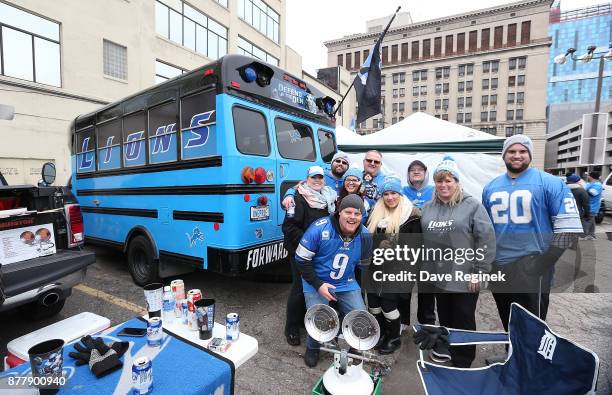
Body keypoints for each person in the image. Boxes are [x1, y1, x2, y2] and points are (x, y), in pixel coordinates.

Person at [482, 135, 583, 329]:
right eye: (512, 151)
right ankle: (513, 356)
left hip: (531, 262)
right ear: (504, 155)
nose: (517, 155)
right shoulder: (490, 187)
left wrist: (544, 262)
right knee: (507, 317)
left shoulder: (550, 183)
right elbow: (485, 229)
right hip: (499, 264)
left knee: (532, 324)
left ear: (530, 154)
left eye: (522, 151)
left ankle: (533, 360)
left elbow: (568, 228)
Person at [420, 156, 496, 367]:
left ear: (456, 182)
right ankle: (448, 349)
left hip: (465, 276)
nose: (443, 185)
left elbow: (486, 240)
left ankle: (463, 360)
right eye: (439, 180)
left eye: (448, 180)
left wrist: (479, 271)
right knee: (445, 317)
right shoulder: (428, 208)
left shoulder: (472, 206)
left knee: (463, 319)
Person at [295, 194, 372, 367]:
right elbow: (301, 259)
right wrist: (318, 284)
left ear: (362, 216)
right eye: (348, 212)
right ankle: (313, 347)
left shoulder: (365, 236)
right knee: (318, 317)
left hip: (346, 281)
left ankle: (353, 347)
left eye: (357, 214)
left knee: (360, 315)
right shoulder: (319, 228)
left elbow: (363, 267)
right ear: (339, 212)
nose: (352, 217)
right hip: (316, 280)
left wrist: (357, 291)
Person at [365, 177, 422, 354]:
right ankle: (380, 333)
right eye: (386, 194)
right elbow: (367, 242)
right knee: (373, 304)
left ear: (400, 193)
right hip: (376, 268)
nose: (390, 197)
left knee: (389, 306)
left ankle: (393, 337)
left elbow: (416, 251)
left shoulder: (411, 216)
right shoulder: (376, 213)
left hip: (397, 271)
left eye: (394, 193)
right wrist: (378, 245)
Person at [282, 166, 337, 346]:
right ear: (306, 179)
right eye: (313, 177)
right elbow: (289, 228)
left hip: (320, 253)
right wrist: (309, 243)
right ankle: (291, 328)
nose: (317, 180)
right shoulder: (298, 198)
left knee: (313, 289)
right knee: (299, 288)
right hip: (300, 251)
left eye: (320, 177)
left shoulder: (328, 197)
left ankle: (305, 322)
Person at [400, 159, 436, 330]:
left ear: (426, 172)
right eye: (412, 169)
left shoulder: (435, 191)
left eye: (420, 169)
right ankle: (403, 321)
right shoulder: (401, 191)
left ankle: (427, 322)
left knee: (427, 287)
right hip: (407, 246)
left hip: (428, 246)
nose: (416, 172)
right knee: (404, 285)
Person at [281, 152, 350, 210]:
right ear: (332, 163)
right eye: (338, 161)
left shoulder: (347, 181)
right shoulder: (320, 175)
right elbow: (299, 186)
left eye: (344, 163)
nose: (340, 164)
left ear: (347, 167)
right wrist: (289, 195)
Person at [585, 172, 603, 239]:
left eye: (588, 175)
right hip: (589, 206)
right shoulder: (590, 184)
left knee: (588, 220)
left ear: (591, 177)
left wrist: (586, 187)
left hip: (592, 206)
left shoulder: (598, 185)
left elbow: (593, 193)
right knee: (591, 221)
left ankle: (587, 234)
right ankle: (591, 235)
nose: (588, 176)